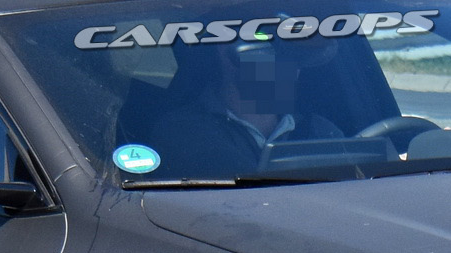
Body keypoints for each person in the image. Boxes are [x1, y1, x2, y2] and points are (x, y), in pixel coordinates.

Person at [143, 38, 344, 179]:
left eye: (298, 57)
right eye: (272, 53)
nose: (292, 68)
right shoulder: (182, 132)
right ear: (225, 54)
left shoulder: (323, 131)